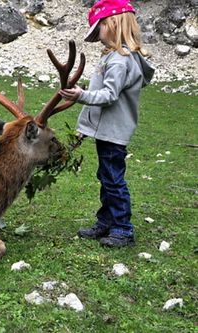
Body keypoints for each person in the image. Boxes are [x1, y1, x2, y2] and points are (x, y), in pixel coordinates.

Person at [59, 0, 155, 247]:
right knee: (106, 177)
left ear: (112, 24)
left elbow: (108, 96)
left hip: (114, 134)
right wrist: (83, 130)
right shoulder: (113, 57)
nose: (98, 35)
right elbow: (100, 103)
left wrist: (81, 95)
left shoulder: (120, 61)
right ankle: (107, 221)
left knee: (113, 179)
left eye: (99, 27)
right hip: (107, 132)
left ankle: (123, 229)